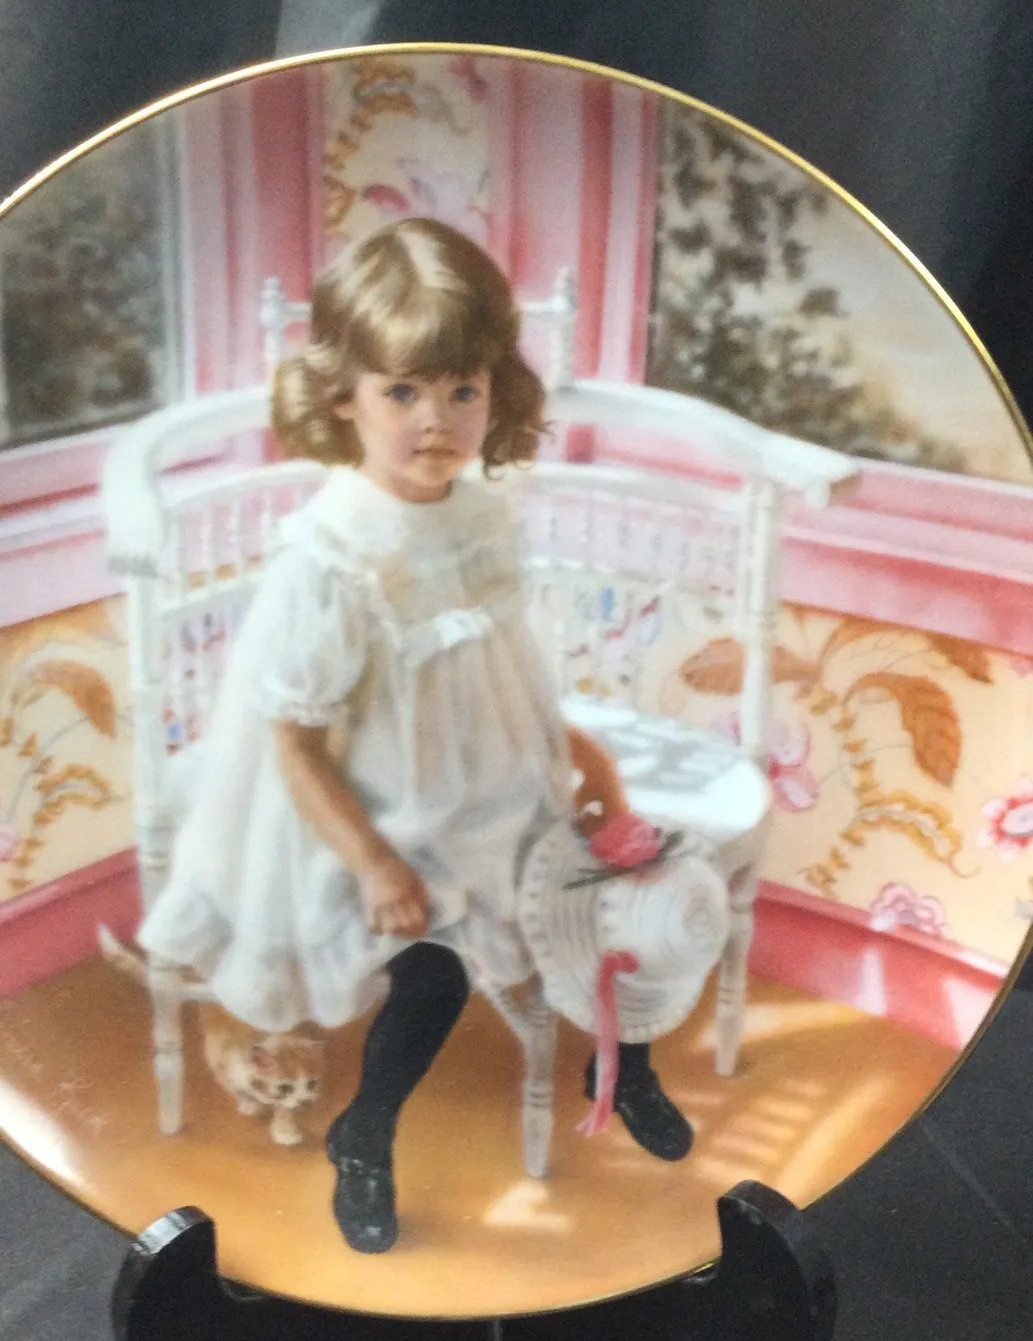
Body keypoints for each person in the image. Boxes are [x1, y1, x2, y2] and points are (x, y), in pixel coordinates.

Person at [140, 217, 693, 1255]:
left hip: (492, 782)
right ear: (342, 396)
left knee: (622, 887)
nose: (436, 420)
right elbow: (295, 746)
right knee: (434, 967)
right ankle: (365, 1135)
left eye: (461, 390)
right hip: (378, 811)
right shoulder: (333, 558)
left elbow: (502, 671)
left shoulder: (475, 513)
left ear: (495, 394)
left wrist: (581, 754)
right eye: (402, 391)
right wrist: (374, 862)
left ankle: (621, 1069)